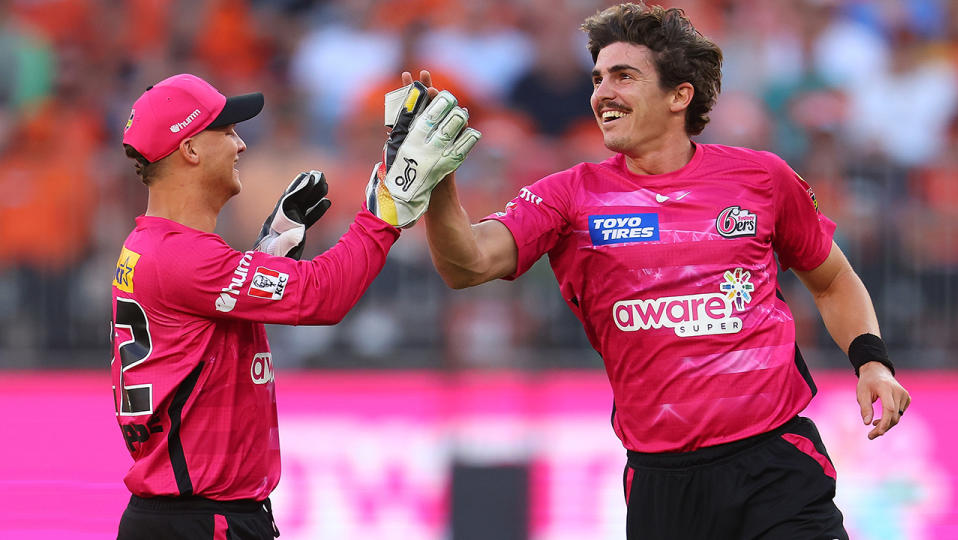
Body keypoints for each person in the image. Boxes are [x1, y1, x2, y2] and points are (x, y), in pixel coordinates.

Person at [419, 4, 911, 539]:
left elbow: (833, 278)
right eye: (598, 78)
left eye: (624, 76)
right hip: (661, 481)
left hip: (775, 464)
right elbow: (465, 265)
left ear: (680, 95)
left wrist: (872, 363)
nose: (602, 92)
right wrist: (438, 182)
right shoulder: (568, 195)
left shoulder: (762, 177)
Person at [111, 73, 478, 539]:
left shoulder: (157, 246)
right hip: (202, 519)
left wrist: (266, 255)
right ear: (190, 150)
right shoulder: (184, 258)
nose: (241, 144)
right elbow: (324, 296)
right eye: (226, 131)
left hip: (191, 515)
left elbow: (207, 318)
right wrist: (389, 204)